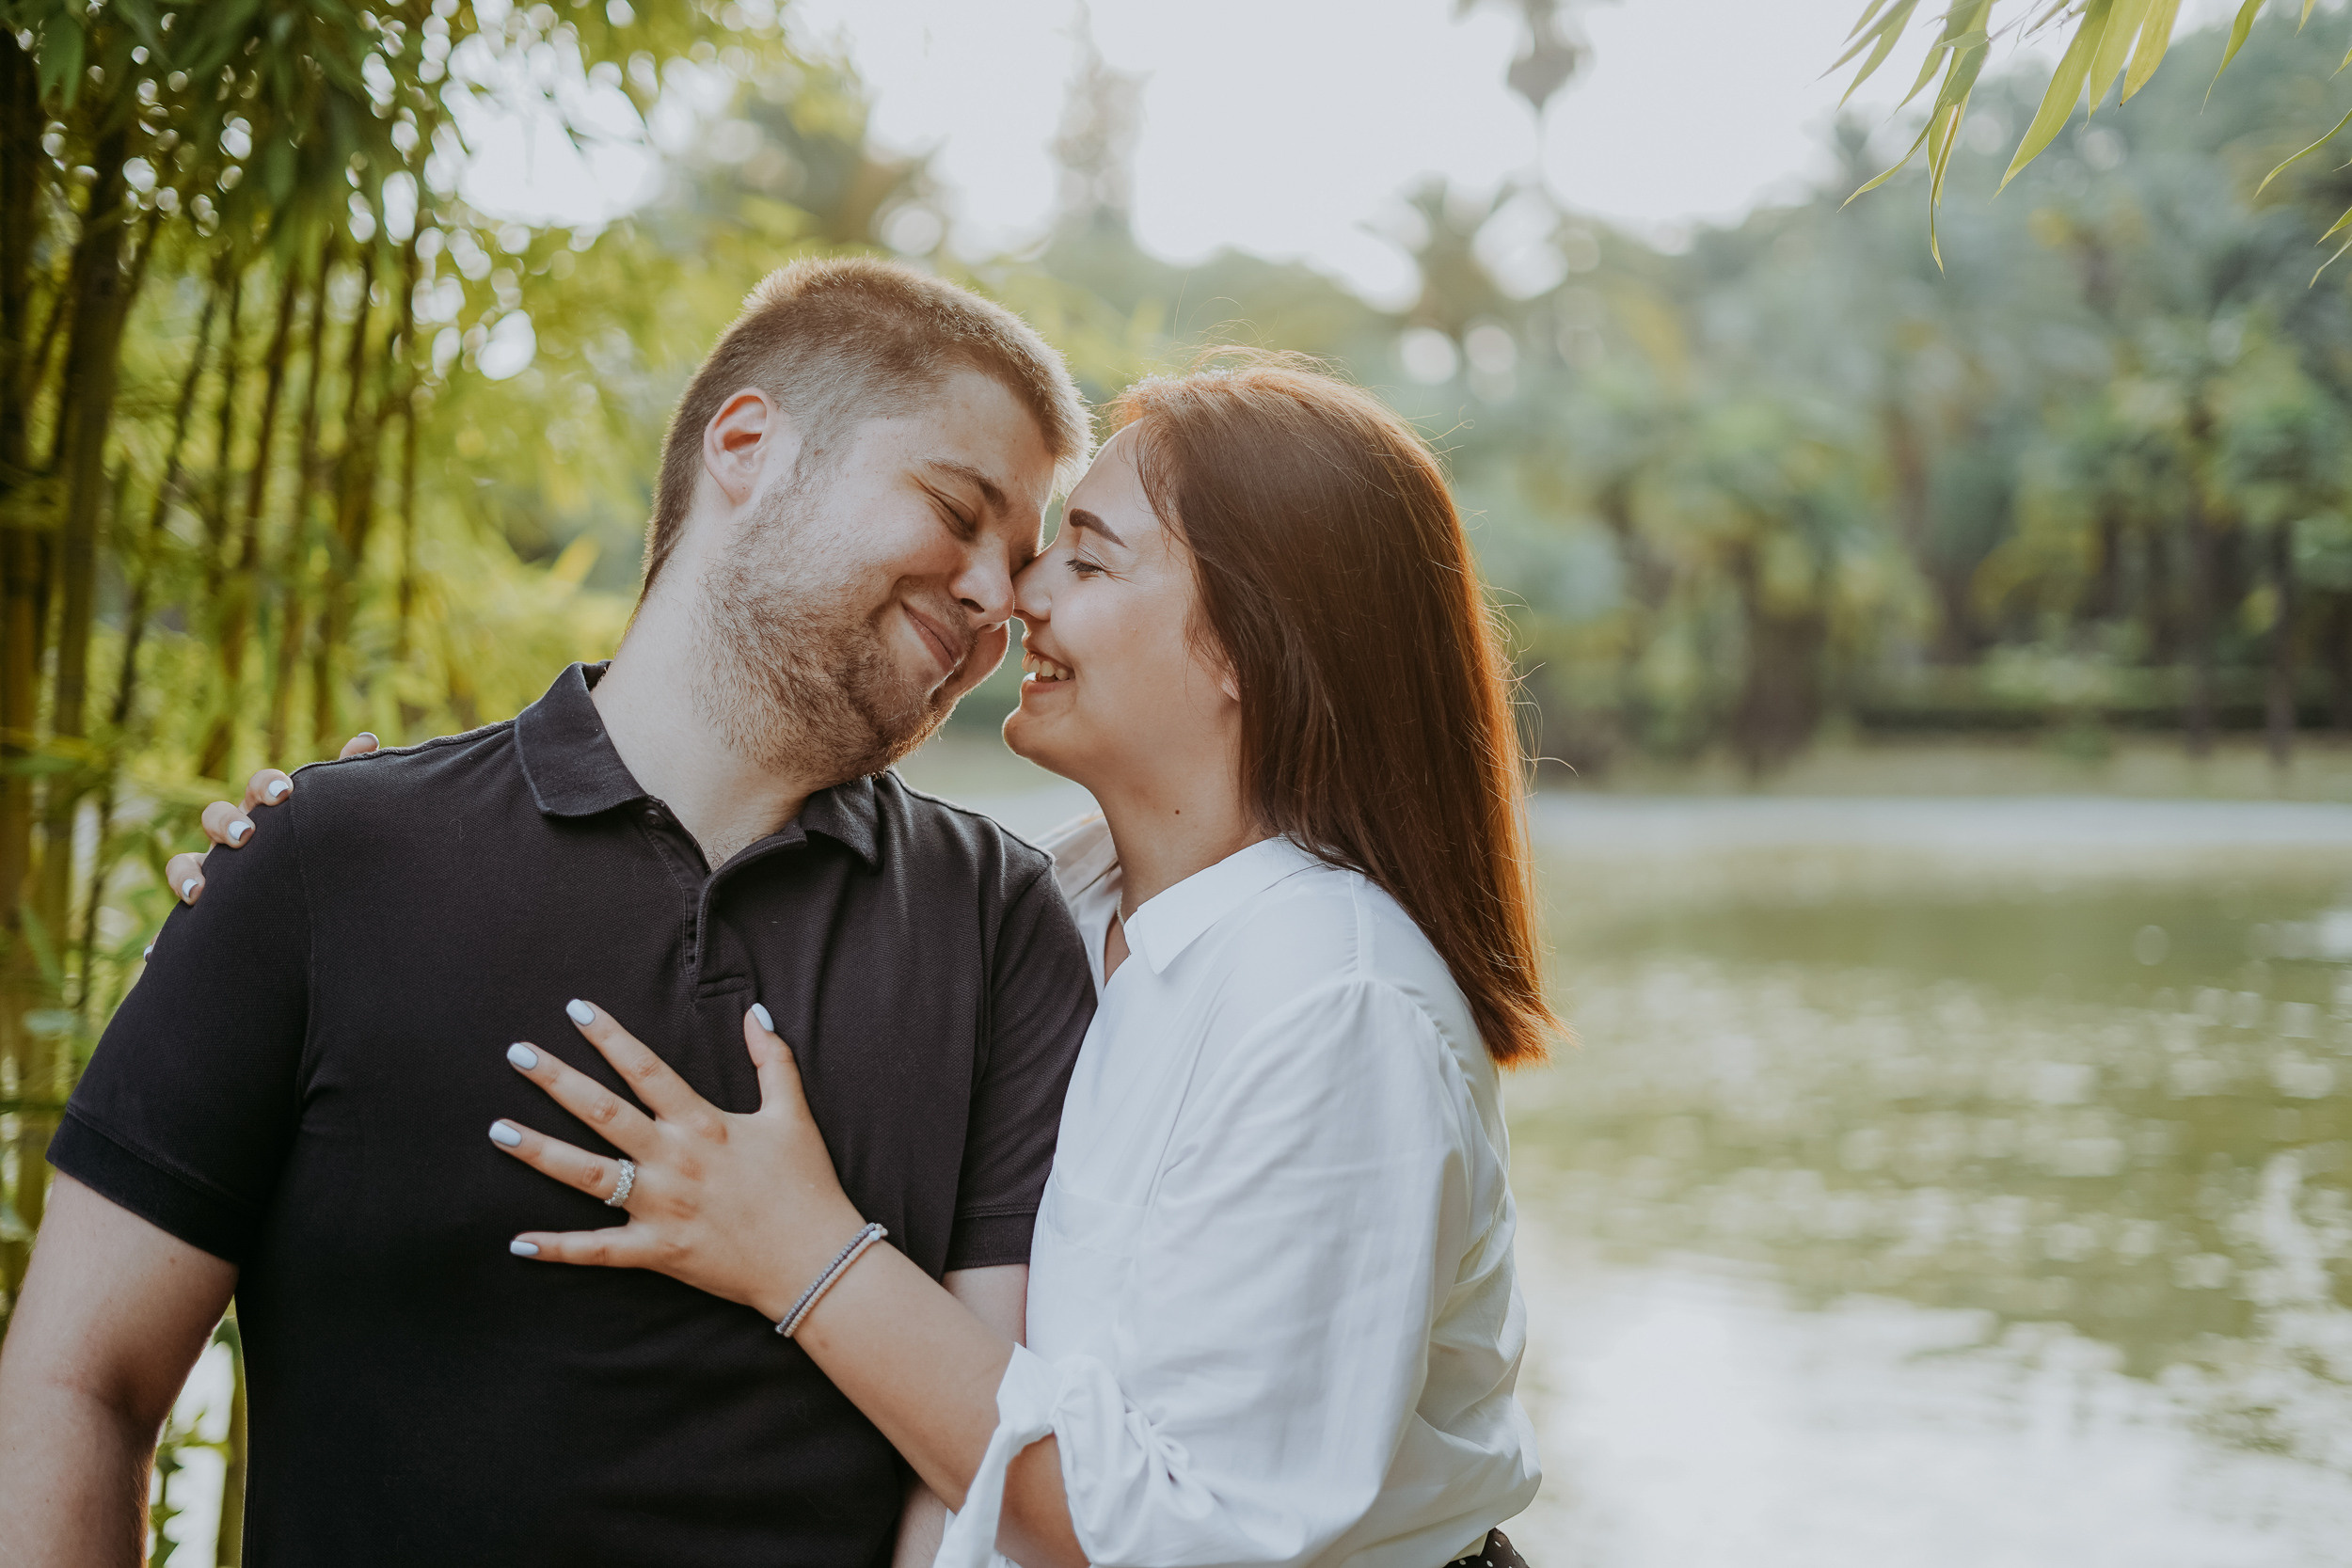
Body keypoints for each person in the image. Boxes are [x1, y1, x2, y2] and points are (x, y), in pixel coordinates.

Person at [171, 355, 1555, 1568]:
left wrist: (807, 1254)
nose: (1017, 598)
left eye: (1087, 559)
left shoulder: (1335, 1002)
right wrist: (360, 852)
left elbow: (1191, 1536)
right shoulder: (1056, 904)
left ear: (1255, 639)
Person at [0, 258, 1099, 1567]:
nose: (997, 599)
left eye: (1019, 564)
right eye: (957, 512)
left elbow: (978, 1476)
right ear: (747, 447)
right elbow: (81, 1383)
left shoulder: (1001, 923)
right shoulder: (324, 859)